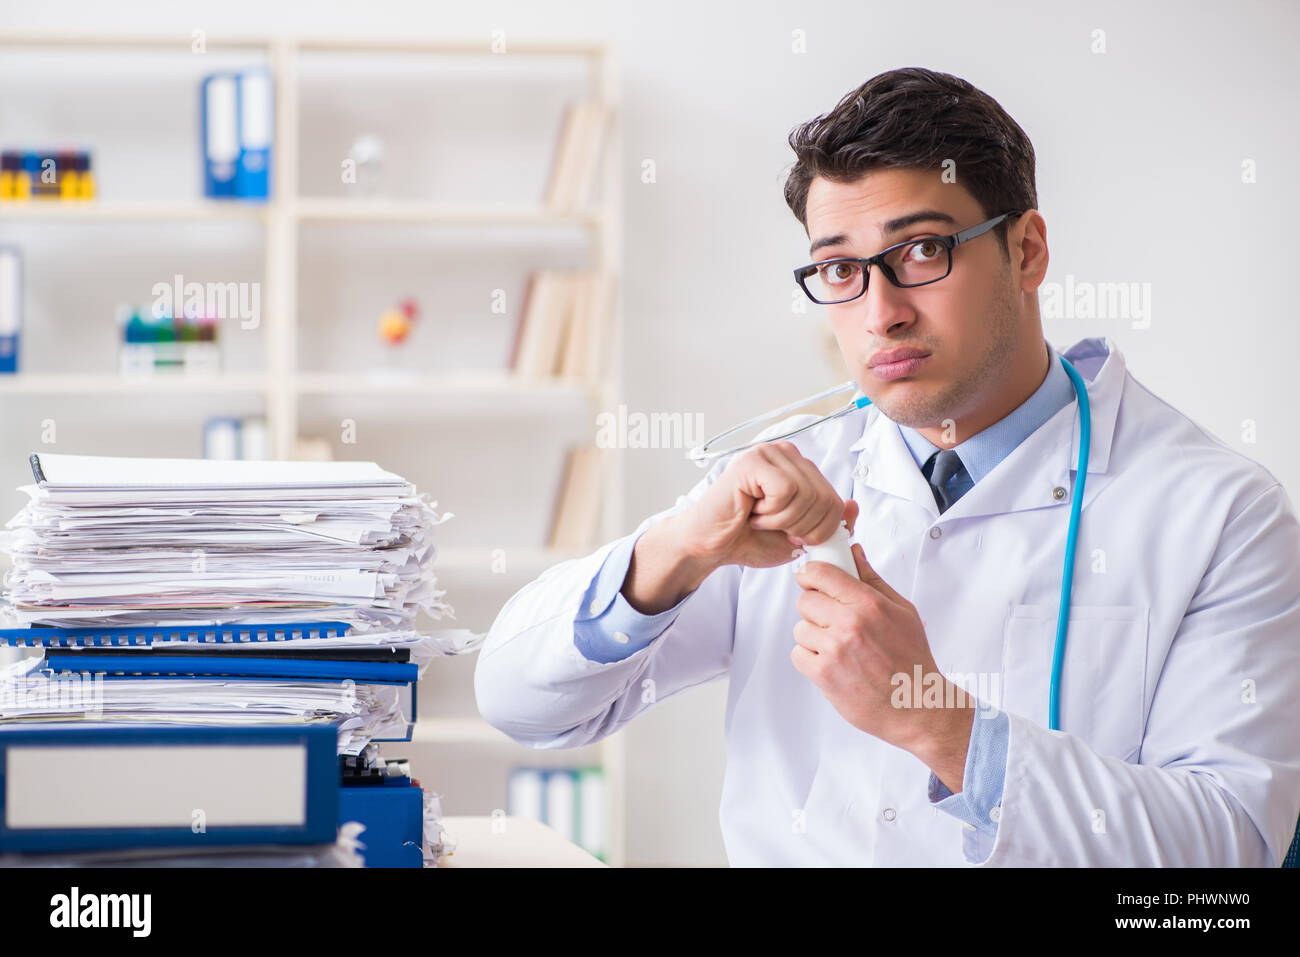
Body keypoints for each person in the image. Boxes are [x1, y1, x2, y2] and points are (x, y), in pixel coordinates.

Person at [475, 67, 1300, 866]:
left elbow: (1231, 849)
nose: (882, 313)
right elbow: (518, 702)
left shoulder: (1220, 511)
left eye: (922, 251)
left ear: (1027, 250)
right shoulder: (789, 481)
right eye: (840, 268)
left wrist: (938, 720)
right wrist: (680, 548)